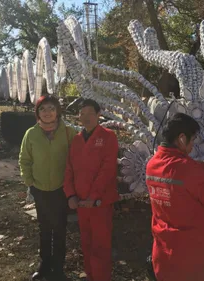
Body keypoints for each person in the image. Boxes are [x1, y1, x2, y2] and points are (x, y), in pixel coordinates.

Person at [145, 112, 204, 281]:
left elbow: (192, 172)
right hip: (191, 259)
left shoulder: (153, 164)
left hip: (164, 253)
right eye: (193, 139)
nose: (193, 145)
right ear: (182, 139)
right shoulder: (185, 169)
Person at [19, 94, 75, 281]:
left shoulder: (68, 132)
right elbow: (24, 160)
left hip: (62, 189)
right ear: (38, 113)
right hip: (40, 189)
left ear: (57, 111)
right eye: (43, 109)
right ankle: (44, 264)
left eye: (51, 108)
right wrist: (30, 182)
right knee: (44, 228)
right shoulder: (31, 134)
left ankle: (58, 267)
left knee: (59, 228)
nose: (47, 112)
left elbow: (78, 157)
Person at [64, 99, 119, 281]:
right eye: (82, 113)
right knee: (86, 243)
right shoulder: (77, 140)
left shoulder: (108, 136)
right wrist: (70, 194)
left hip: (99, 202)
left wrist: (93, 196)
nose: (86, 117)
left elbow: (108, 169)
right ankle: (90, 275)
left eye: (90, 113)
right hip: (80, 202)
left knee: (100, 245)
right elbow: (69, 169)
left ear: (98, 115)